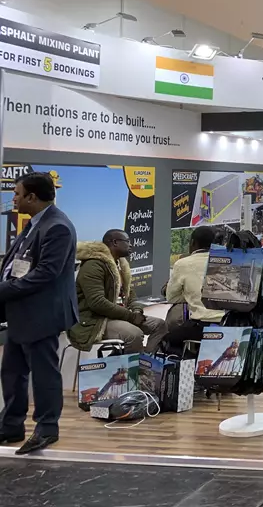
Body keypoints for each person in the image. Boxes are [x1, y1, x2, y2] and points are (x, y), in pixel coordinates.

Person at [0, 172, 79, 455]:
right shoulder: (36, 223)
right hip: (22, 312)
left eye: (17, 194)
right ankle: (11, 425)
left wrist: (3, 290)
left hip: (42, 314)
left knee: (44, 375)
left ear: (32, 197)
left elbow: (46, 273)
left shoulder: (58, 227)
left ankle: (46, 428)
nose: (13, 199)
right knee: (12, 372)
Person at [68, 230, 167, 355]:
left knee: (159, 325)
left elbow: (130, 294)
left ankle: (145, 360)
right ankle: (133, 366)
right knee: (134, 334)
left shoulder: (120, 265)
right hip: (95, 320)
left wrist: (136, 311)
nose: (131, 245)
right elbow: (97, 303)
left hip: (118, 316)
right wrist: (131, 316)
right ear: (115, 242)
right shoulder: (93, 266)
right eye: (127, 241)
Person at [165, 225, 224, 351]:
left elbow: (171, 297)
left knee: (169, 340)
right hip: (230, 324)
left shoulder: (182, 264)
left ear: (192, 243)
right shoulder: (226, 260)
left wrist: (191, 295)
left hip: (202, 325)